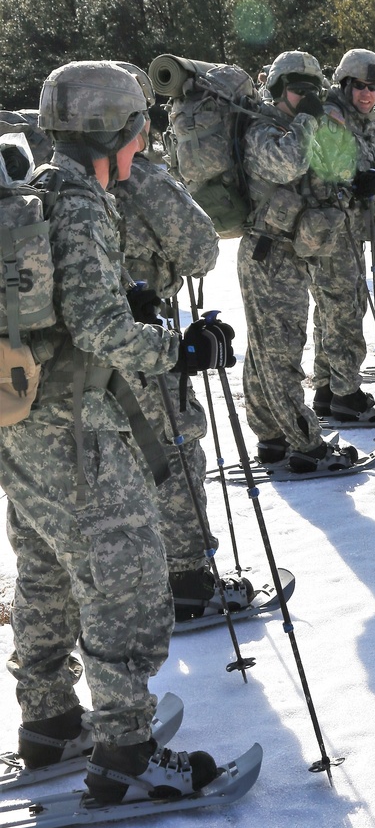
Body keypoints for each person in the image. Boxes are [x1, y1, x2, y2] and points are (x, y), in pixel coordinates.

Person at [1, 60, 229, 802]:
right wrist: (180, 349)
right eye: (136, 134)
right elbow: (97, 328)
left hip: (19, 419)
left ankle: (50, 722)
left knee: (44, 573)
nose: (140, 148)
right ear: (113, 135)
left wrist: (124, 295)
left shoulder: (39, 188)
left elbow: (74, 300)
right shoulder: (82, 199)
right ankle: (125, 754)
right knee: (121, 576)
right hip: (76, 429)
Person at [106, 62, 241, 622]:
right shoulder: (143, 179)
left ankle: (126, 577)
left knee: (111, 460)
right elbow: (201, 252)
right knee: (174, 446)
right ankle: (185, 574)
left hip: (79, 353)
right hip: (145, 334)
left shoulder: (52, 179)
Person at [237, 49, 362, 471]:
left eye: (313, 90)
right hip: (268, 253)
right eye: (296, 90)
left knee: (267, 352)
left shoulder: (303, 129)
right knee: (279, 353)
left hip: (294, 253)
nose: (305, 97)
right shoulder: (263, 129)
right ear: (277, 90)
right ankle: (304, 442)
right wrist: (309, 119)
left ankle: (272, 437)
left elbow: (335, 173)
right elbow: (286, 163)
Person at [312, 49, 375, 425]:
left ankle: (328, 389)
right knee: (344, 309)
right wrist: (356, 184)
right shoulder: (332, 120)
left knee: (332, 309)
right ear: (344, 84)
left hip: (348, 229)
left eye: (373, 87)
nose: (367, 94)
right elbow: (324, 175)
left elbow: (371, 169)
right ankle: (347, 395)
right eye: (360, 86)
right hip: (330, 230)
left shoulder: (365, 122)